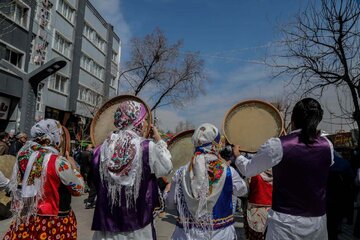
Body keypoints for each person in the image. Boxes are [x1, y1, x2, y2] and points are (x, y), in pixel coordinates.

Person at [234, 98, 333, 240]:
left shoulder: (279, 145)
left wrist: (237, 156)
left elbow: (249, 169)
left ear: (293, 119)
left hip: (285, 224)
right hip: (318, 223)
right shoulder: (327, 145)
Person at [91, 100, 173, 240]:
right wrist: (159, 140)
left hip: (107, 226)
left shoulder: (101, 148)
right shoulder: (147, 147)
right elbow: (167, 167)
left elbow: (94, 179)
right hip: (138, 225)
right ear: (137, 121)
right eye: (145, 119)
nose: (147, 123)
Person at [3, 119, 85, 240]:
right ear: (53, 136)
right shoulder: (58, 161)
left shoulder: (23, 156)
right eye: (60, 134)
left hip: (28, 217)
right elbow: (79, 189)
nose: (61, 138)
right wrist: (74, 169)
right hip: (54, 220)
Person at [165, 123, 248, 240]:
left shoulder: (181, 172)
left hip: (186, 235)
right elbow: (242, 191)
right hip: (219, 235)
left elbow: (169, 204)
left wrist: (166, 191)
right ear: (216, 144)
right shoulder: (228, 171)